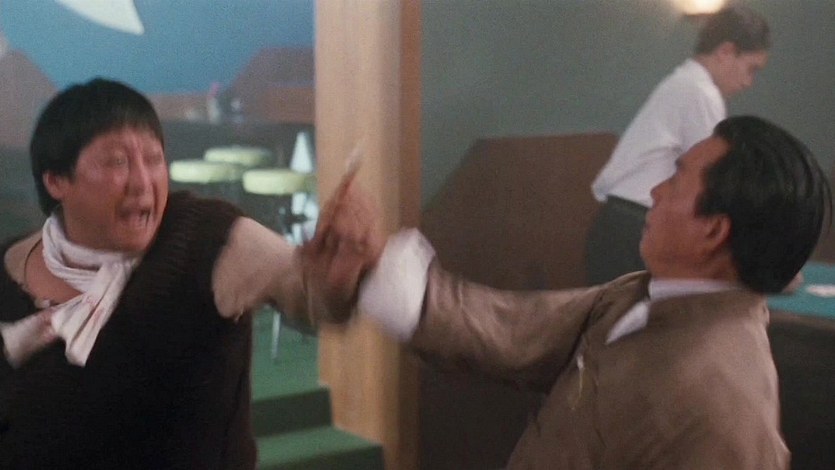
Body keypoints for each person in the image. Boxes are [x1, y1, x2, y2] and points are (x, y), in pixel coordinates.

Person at [315, 115, 831, 469]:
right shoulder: (642, 295)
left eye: (676, 180)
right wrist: (374, 258)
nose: (654, 192)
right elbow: (510, 330)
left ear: (714, 230)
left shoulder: (726, 405)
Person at [0, 78, 371, 469]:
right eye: (116, 162)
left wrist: (333, 281)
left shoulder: (205, 239)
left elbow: (307, 294)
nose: (142, 182)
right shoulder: (10, 267)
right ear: (56, 180)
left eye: (153, 159)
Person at [586, 5, 771, 284]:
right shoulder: (700, 93)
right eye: (751, 68)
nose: (749, 82)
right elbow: (716, 182)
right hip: (634, 230)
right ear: (726, 52)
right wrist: (761, 264)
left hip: (622, 227)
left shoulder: (684, 83)